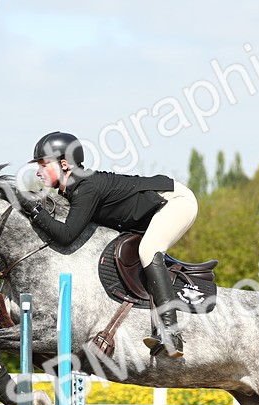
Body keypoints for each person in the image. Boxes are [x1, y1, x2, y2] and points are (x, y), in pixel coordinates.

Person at [18, 131, 198, 358]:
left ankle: (171, 333)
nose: (38, 171)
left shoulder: (86, 187)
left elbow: (66, 235)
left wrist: (33, 210)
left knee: (148, 250)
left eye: (43, 164)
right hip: (155, 208)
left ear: (64, 164)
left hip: (176, 201)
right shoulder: (76, 188)